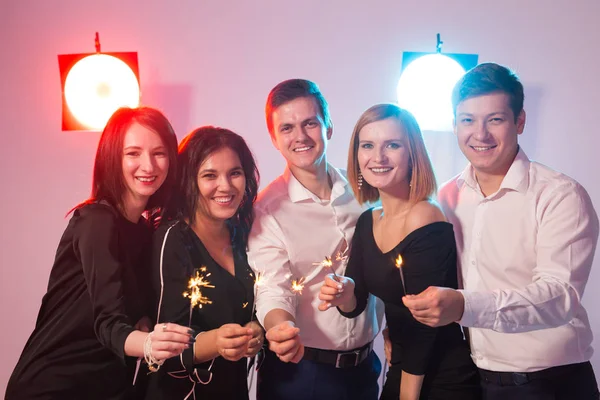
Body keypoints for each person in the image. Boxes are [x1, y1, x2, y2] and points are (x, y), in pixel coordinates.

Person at [403, 62, 600, 399]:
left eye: (494, 120)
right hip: (473, 378)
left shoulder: (560, 195)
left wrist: (464, 306)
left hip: (551, 383)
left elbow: (559, 296)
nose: (480, 135)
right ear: (454, 124)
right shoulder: (447, 197)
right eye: (468, 120)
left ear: (519, 121)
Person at [6, 107, 194, 400]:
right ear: (113, 158)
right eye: (133, 153)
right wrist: (149, 344)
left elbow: (134, 310)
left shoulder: (148, 232)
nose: (148, 165)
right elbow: (108, 322)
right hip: (55, 386)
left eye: (159, 153)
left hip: (108, 386)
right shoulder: (96, 219)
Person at [319, 103, 480, 400]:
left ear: (412, 154)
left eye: (392, 145)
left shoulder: (425, 216)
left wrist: (407, 396)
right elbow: (356, 302)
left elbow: (425, 327)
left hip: (441, 377)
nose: (377, 157)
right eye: (367, 145)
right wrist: (344, 292)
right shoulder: (369, 220)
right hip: (403, 368)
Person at [248, 79, 384, 400]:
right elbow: (272, 288)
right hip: (301, 374)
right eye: (287, 128)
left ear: (329, 127)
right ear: (274, 138)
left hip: (365, 369)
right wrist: (279, 328)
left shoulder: (367, 191)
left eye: (310, 123)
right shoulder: (267, 210)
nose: (300, 137)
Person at [145, 127, 263, 399]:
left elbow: (255, 305)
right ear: (189, 180)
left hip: (232, 389)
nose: (226, 186)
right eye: (210, 175)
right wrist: (215, 342)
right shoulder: (173, 239)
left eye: (235, 173)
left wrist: (258, 331)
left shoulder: (243, 233)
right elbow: (162, 348)